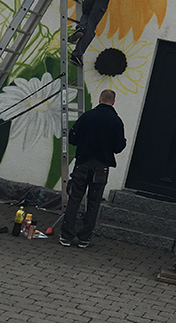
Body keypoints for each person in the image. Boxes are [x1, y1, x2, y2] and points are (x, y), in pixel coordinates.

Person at [59, 88, 126, 247]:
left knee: (75, 199)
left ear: (100, 99)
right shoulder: (116, 121)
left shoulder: (87, 116)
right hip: (101, 166)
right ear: (113, 102)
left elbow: (73, 138)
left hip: (83, 162)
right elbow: (118, 147)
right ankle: (84, 238)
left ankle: (67, 236)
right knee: (94, 203)